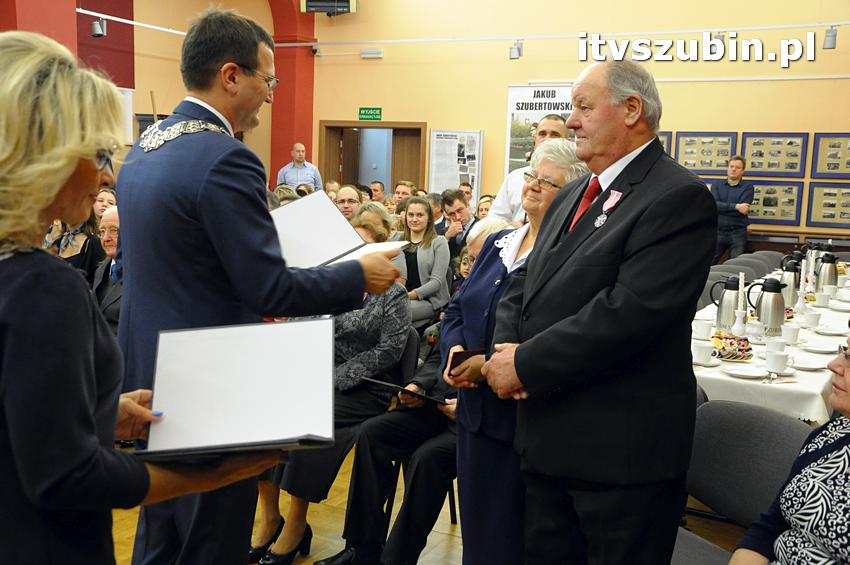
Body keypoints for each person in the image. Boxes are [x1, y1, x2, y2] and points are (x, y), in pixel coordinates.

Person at [115, 10, 399, 565]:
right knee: (210, 539)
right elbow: (268, 289)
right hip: (212, 379)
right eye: (269, 81)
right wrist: (357, 275)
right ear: (230, 75)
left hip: (150, 369)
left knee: (162, 536)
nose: (271, 95)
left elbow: (153, 264)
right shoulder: (226, 158)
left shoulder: (145, 148)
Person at [0, 30, 280, 565]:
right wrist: (209, 473)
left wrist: (98, 417)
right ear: (42, 157)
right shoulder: (42, 286)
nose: (108, 174)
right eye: (97, 153)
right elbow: (67, 478)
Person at [483, 60, 717, 565]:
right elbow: (525, 278)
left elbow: (627, 315)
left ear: (632, 109)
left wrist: (524, 364)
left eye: (584, 108)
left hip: (618, 460)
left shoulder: (678, 197)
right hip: (547, 442)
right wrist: (506, 349)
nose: (571, 121)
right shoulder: (573, 192)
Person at [443, 139, 588, 565]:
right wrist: (454, 351)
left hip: (523, 421)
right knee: (478, 537)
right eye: (531, 176)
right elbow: (457, 307)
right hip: (474, 416)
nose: (533, 186)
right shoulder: (498, 243)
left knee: (510, 541)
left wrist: (486, 364)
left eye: (548, 182)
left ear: (573, 195)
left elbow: (553, 331)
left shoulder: (569, 255)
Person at [252, 219, 409, 565]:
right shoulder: (329, 283)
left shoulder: (392, 294)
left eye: (363, 247)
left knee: (308, 417)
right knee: (265, 412)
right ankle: (270, 517)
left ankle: (296, 524)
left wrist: (337, 377)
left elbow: (390, 350)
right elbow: (296, 325)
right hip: (312, 378)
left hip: (364, 387)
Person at [313, 340, 458, 565]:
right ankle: (362, 547)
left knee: (427, 458)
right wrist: (417, 385)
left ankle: (395, 559)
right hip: (433, 405)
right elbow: (438, 357)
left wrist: (468, 406)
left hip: (472, 419)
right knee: (372, 433)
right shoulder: (457, 319)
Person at [731, 336, 850, 564]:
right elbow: (770, 527)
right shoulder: (833, 433)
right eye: (844, 352)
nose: (834, 364)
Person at [489, 114, 569, 225]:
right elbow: (493, 221)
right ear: (535, 139)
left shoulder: (574, 178)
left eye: (555, 135)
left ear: (566, 141)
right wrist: (512, 228)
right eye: (542, 134)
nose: (547, 139)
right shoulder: (514, 178)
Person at [402, 196, 451, 327]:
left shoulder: (439, 242)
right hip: (400, 299)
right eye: (410, 215)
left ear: (429, 218)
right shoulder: (396, 239)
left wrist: (407, 296)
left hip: (429, 300)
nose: (414, 219)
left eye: (420, 215)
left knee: (395, 312)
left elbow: (436, 283)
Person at [712, 156, 754, 263]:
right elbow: (714, 205)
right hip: (718, 232)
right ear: (728, 168)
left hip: (737, 233)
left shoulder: (748, 187)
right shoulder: (716, 185)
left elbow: (743, 210)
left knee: (736, 264)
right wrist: (736, 207)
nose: (733, 169)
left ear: (743, 171)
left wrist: (723, 207)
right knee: (709, 263)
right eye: (731, 166)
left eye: (737, 167)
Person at [91, 206, 122, 335]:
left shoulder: (142, 273)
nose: (105, 238)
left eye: (114, 230)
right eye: (102, 231)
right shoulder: (101, 270)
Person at [441, 188, 478, 259]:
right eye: (452, 214)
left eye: (459, 210)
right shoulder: (444, 233)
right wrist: (447, 237)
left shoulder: (482, 228)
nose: (457, 217)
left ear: (468, 205)